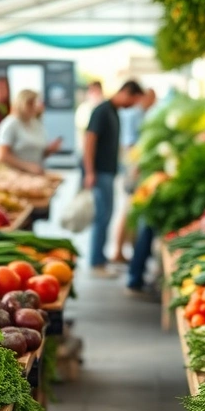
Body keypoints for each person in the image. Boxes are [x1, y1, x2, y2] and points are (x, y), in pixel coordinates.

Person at [83, 80, 145, 277]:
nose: (133, 105)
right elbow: (89, 140)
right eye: (133, 100)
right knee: (102, 216)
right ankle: (96, 263)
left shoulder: (114, 111)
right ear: (126, 92)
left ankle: (100, 258)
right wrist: (90, 171)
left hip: (108, 172)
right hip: (100, 172)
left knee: (107, 215)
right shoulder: (102, 110)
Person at [113, 88, 157, 264]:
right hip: (133, 169)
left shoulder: (141, 114)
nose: (153, 103)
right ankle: (118, 251)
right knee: (128, 209)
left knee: (130, 209)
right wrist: (136, 167)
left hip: (134, 167)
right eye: (151, 99)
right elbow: (130, 144)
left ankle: (125, 249)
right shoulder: (135, 115)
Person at [0, 89, 62, 174]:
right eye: (30, 103)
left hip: (37, 174)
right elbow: (2, 156)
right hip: (15, 176)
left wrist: (49, 150)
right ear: (20, 104)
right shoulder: (10, 124)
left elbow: (37, 153)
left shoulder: (36, 124)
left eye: (34, 103)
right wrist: (27, 166)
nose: (33, 106)